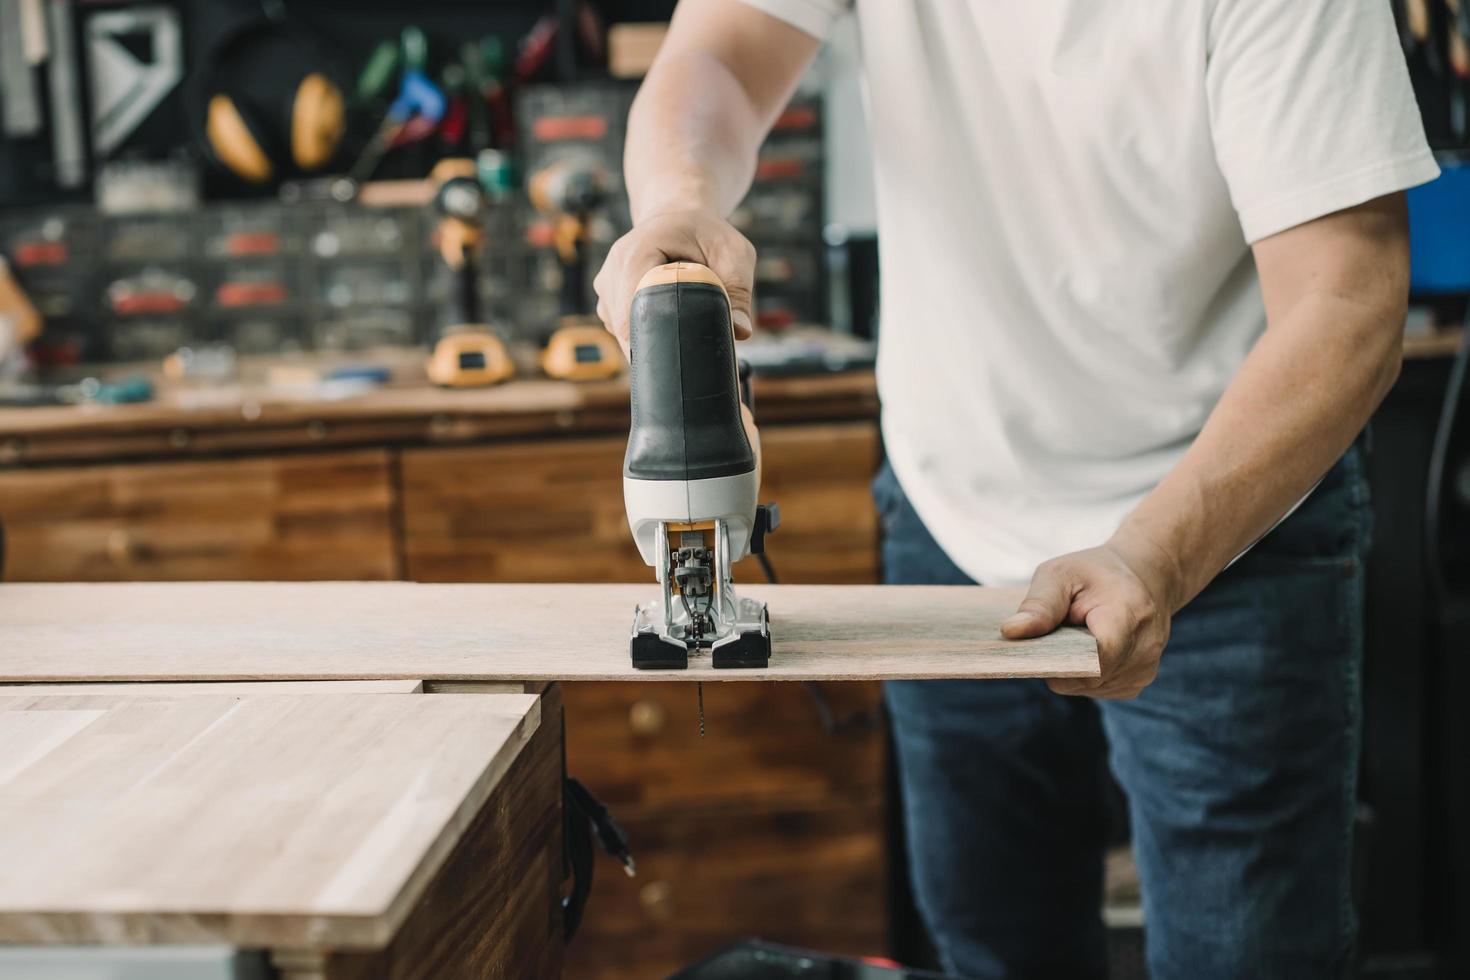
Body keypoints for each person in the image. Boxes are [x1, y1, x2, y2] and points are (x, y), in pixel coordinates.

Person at [593, 2, 1438, 976]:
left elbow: (1348, 296)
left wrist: (1155, 553)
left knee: (1243, 958)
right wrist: (677, 199)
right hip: (951, 506)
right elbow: (722, 59)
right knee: (995, 943)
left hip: (1223, 524)